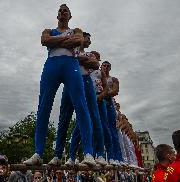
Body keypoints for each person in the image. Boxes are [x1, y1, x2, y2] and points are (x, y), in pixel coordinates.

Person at [24, 4, 95, 166]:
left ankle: (88, 152)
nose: (63, 12)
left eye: (66, 11)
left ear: (70, 16)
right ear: (57, 16)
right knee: (44, 107)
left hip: (71, 66)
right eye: (60, 11)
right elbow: (44, 40)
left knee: (81, 106)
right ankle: (38, 152)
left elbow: (78, 40)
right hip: (52, 66)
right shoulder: (48, 30)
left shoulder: (76, 29)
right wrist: (65, 41)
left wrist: (55, 43)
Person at [50, 32, 106, 166]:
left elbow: (95, 64)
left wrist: (76, 58)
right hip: (71, 81)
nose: (89, 42)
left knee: (94, 116)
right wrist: (81, 60)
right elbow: (76, 60)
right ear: (82, 38)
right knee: (64, 118)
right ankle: (60, 155)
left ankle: (98, 154)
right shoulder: (70, 49)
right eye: (88, 39)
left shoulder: (88, 54)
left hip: (86, 82)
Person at [101, 61, 123, 163]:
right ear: (101, 66)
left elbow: (115, 91)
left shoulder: (113, 79)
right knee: (99, 129)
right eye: (104, 65)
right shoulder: (97, 76)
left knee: (112, 130)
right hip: (100, 103)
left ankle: (116, 157)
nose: (105, 67)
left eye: (107, 66)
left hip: (108, 104)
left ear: (110, 68)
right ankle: (99, 155)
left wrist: (102, 94)